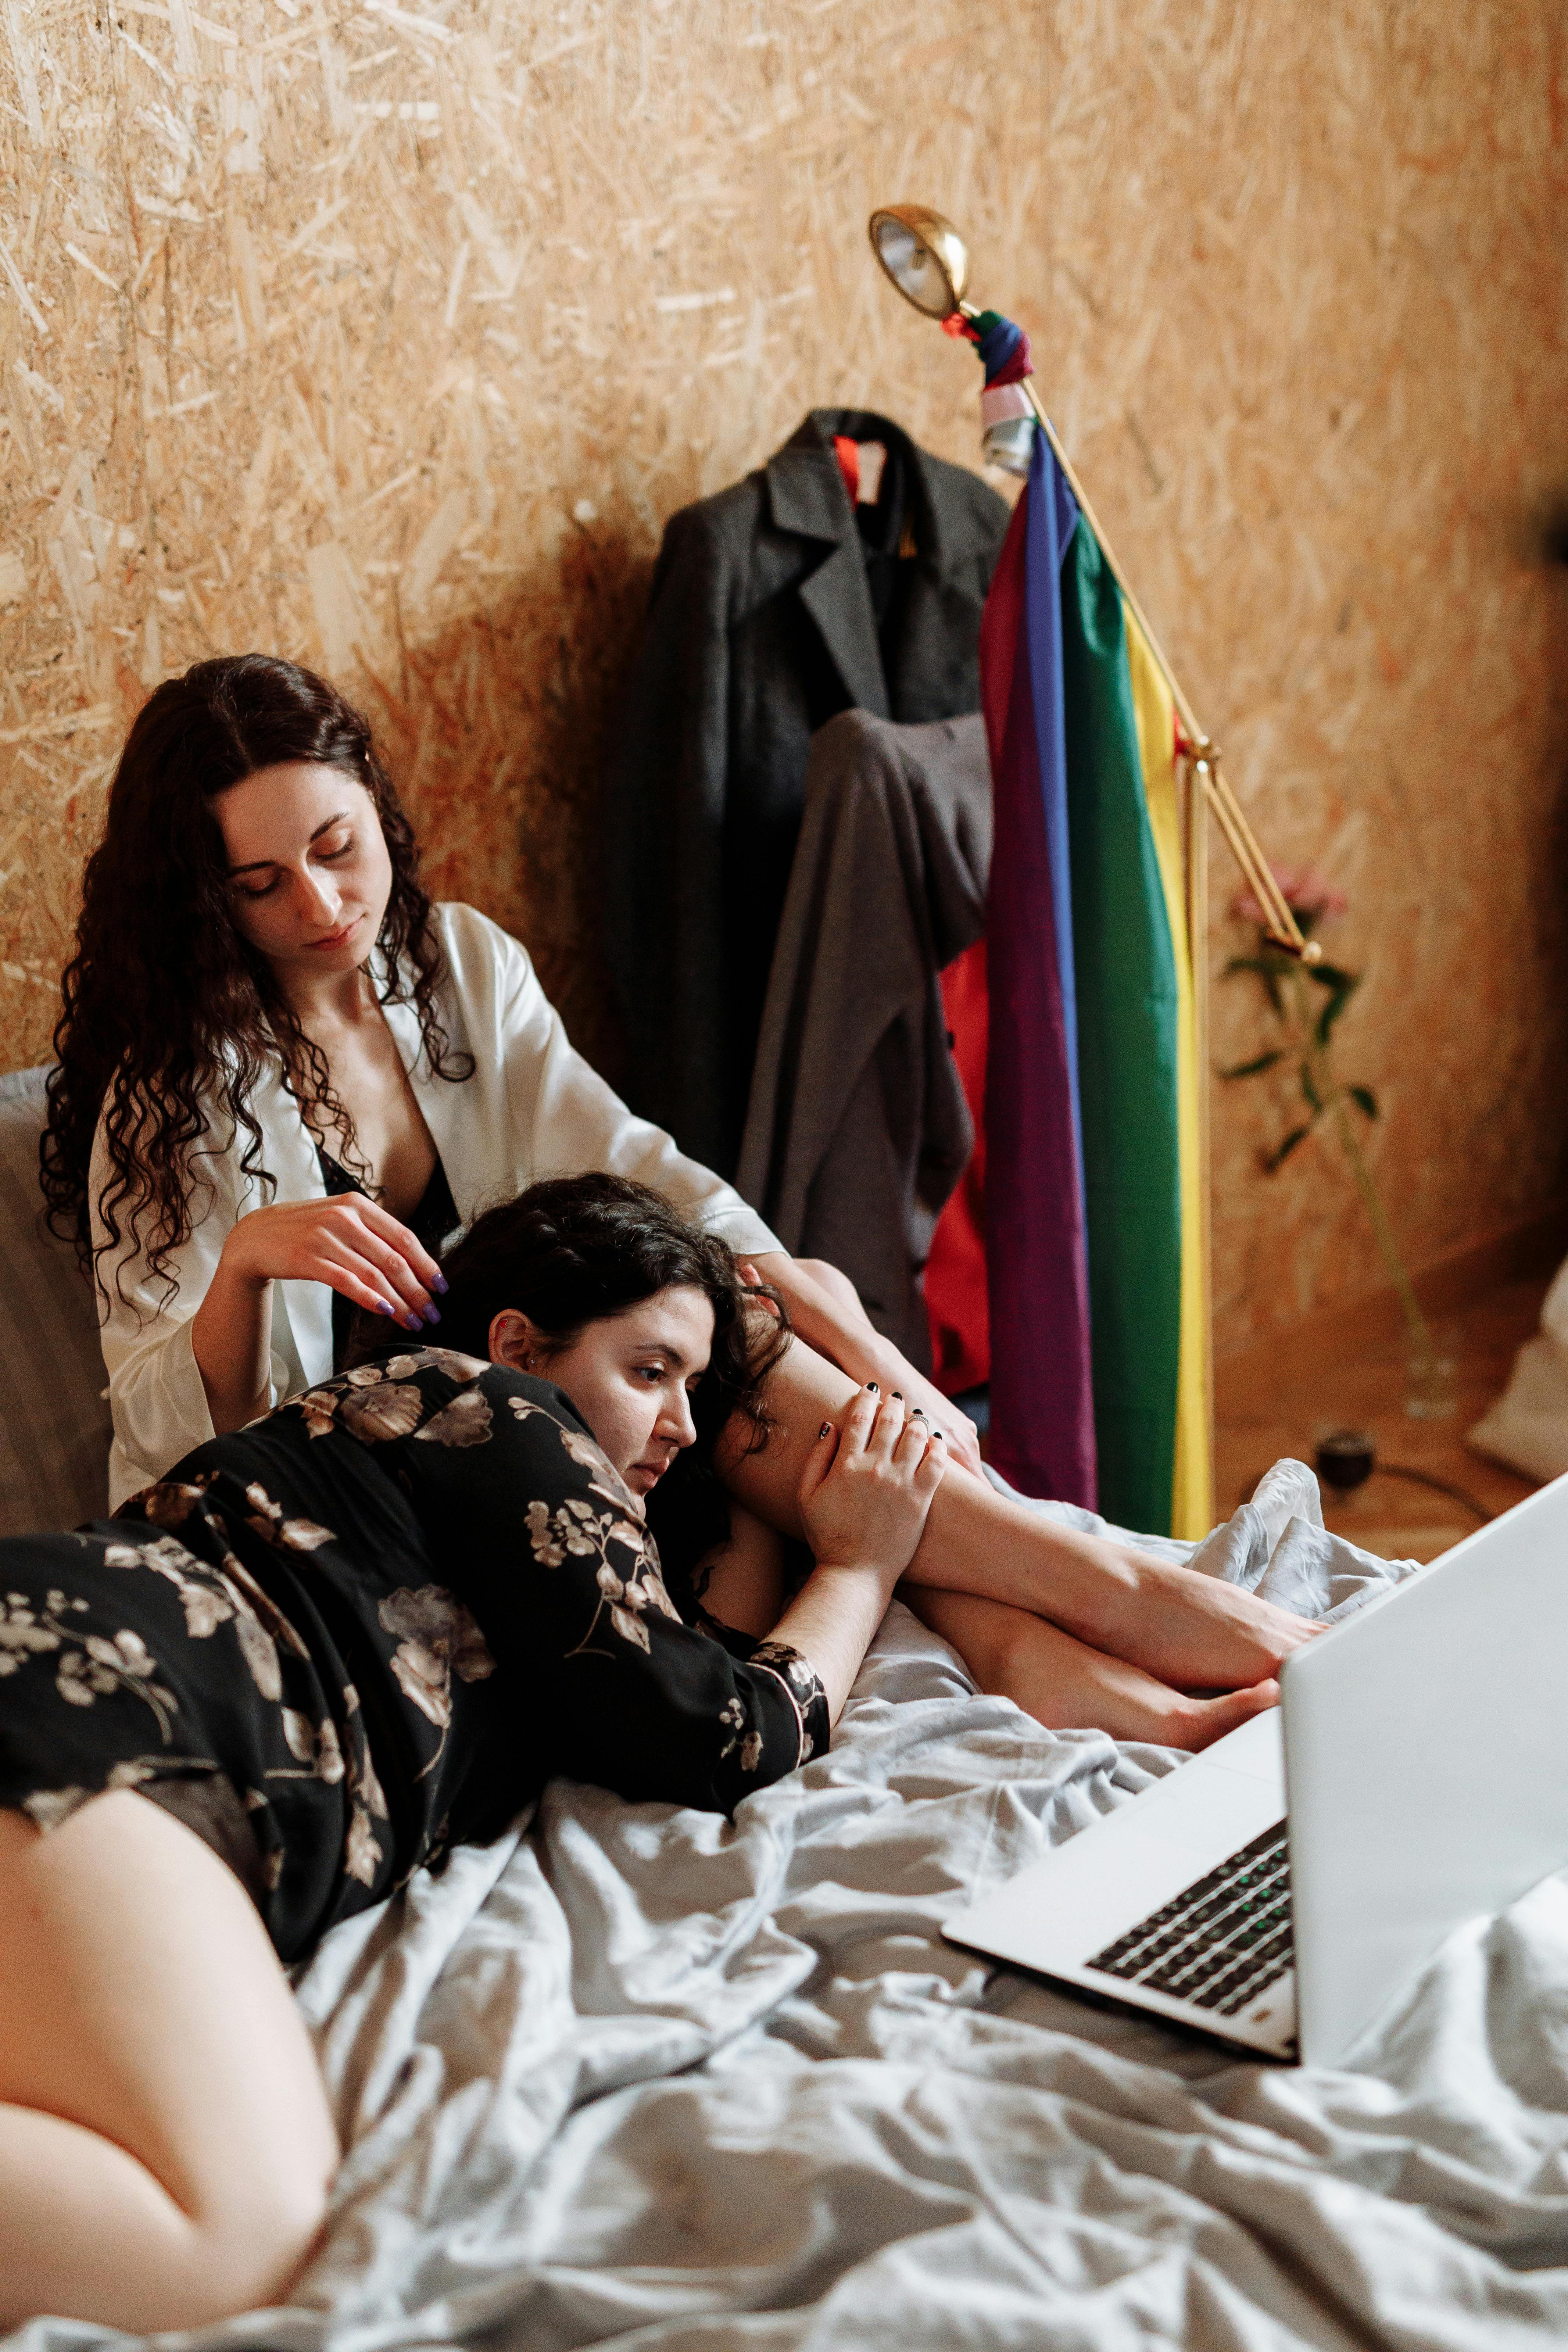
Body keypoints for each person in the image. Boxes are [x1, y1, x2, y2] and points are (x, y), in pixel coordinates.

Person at [40, 654, 1315, 1735]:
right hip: (404, 1480)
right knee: (804, 1448)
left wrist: (866, 1346)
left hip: (565, 1398)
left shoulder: (457, 965)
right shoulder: (170, 1088)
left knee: (766, 1357)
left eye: (337, 848)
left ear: (377, 807)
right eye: (261, 885)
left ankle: (1169, 1708)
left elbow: (649, 1177)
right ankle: (1170, 1612)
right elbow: (162, 1434)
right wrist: (246, 1266)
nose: (320, 904)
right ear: (205, 900)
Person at [0, 1173, 956, 2333]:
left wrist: (768, 1517)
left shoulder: (494, 1544)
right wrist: (861, 1568)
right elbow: (722, 1733)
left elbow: (693, 1670)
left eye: (697, 1391)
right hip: (102, 1690)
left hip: (99, 1694)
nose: (682, 1426)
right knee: (229, 2236)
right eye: (649, 1370)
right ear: (520, 1342)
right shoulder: (492, 1405)